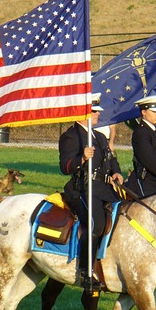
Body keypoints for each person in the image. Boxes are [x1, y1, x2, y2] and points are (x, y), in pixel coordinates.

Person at [59, 93, 124, 291]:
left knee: (125, 217)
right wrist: (82, 159)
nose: (98, 115)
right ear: (84, 112)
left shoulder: (100, 136)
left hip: (104, 189)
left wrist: (117, 172)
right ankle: (85, 270)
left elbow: (111, 158)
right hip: (82, 189)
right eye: (94, 111)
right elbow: (65, 166)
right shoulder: (70, 136)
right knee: (95, 225)